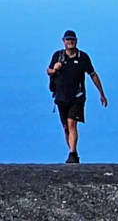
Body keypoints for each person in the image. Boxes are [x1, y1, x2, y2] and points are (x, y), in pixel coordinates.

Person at [46, 30, 108, 164]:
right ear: (63, 41)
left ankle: (72, 152)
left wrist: (101, 93)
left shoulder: (83, 57)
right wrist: (55, 69)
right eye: (67, 40)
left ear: (76, 41)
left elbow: (93, 74)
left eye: (72, 39)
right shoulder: (58, 55)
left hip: (77, 96)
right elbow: (48, 71)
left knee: (71, 123)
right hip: (61, 96)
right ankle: (73, 154)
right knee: (65, 127)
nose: (70, 42)